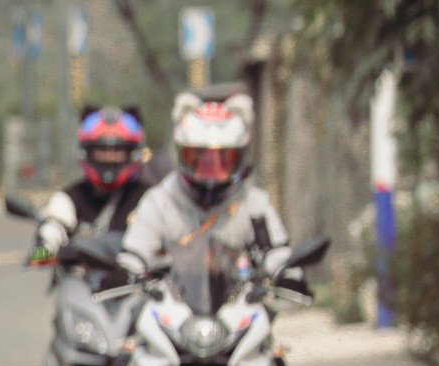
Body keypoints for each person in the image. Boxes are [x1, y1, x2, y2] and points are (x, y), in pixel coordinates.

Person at [120, 89, 289, 278]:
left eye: (224, 158)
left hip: (241, 295)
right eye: (198, 157)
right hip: (172, 295)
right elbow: (133, 257)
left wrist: (287, 276)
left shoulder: (254, 203)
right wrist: (128, 275)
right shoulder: (160, 201)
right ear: (181, 155)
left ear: (240, 157)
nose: (211, 168)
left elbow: (279, 257)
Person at [28, 106, 152, 262]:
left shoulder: (151, 198)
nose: (109, 157)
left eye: (117, 151)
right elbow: (47, 239)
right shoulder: (69, 198)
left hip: (135, 276)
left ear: (132, 153)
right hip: (79, 275)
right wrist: (45, 250)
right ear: (87, 152)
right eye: (101, 150)